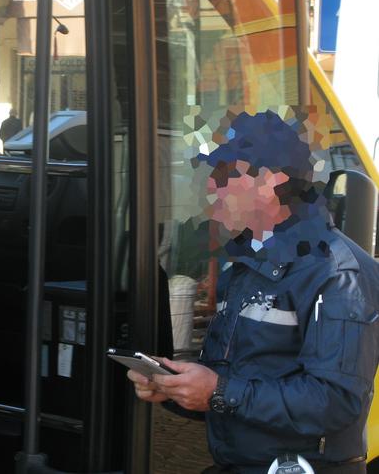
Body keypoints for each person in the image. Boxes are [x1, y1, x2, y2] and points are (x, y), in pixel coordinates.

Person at [129, 109, 379, 473]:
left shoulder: (337, 272)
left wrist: (217, 391)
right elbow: (237, 382)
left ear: (272, 182)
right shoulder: (246, 266)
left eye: (224, 175)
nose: (212, 189)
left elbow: (334, 401)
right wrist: (176, 389)